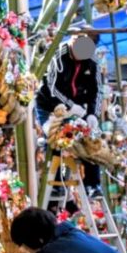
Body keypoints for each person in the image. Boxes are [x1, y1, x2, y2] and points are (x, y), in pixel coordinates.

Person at [36, 35, 102, 190]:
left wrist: (93, 113)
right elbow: (49, 86)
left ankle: (93, 184)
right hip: (49, 104)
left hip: (78, 106)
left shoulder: (93, 61)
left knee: (90, 137)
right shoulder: (57, 55)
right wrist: (69, 105)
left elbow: (97, 90)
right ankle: (55, 183)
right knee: (54, 138)